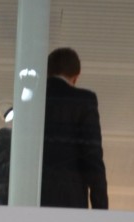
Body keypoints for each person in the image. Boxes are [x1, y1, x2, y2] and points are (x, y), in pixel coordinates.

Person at [41, 48, 108, 210]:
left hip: (32, 196)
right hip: (70, 198)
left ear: (48, 72)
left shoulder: (32, 99)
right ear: (76, 76)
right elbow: (92, 156)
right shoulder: (83, 101)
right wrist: (101, 210)